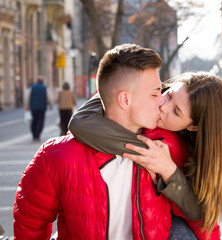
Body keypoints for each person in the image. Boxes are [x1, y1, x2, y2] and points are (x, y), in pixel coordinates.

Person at [13, 44, 199, 239]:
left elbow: (202, 219)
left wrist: (170, 173)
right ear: (125, 100)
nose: (162, 101)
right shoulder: (56, 157)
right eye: (154, 94)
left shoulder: (166, 149)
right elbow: (30, 224)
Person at [69, 72, 222, 239]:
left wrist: (169, 171)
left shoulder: (192, 154)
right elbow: (81, 122)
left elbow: (204, 219)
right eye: (168, 95)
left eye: (176, 111)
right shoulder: (145, 93)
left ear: (194, 127)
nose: (163, 106)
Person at [25, 76, 53, 141]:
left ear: (37, 81)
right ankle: (38, 135)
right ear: (42, 81)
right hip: (42, 108)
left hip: (33, 108)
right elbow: (50, 98)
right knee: (40, 121)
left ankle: (34, 135)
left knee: (34, 121)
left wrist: (26, 106)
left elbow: (27, 97)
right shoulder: (45, 88)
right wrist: (51, 106)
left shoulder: (32, 87)